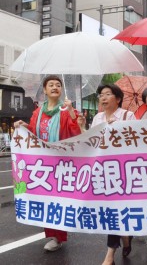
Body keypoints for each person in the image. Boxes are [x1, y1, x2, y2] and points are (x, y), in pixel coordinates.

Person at [13, 75, 81, 252]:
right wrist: (23, 125)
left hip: (60, 162)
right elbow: (34, 131)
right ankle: (52, 235)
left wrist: (72, 112)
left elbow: (75, 133)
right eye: (50, 85)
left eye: (58, 85)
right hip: (41, 163)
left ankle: (59, 236)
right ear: (44, 90)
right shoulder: (38, 111)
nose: (55, 87)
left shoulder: (65, 110)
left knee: (58, 199)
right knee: (45, 199)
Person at [91, 84, 136, 265]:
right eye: (101, 95)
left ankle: (110, 255)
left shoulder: (128, 116)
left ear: (117, 99)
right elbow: (91, 143)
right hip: (103, 170)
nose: (103, 98)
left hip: (122, 171)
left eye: (108, 94)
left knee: (115, 209)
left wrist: (115, 131)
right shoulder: (97, 118)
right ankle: (126, 237)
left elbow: (137, 139)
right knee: (110, 210)